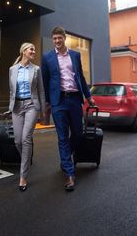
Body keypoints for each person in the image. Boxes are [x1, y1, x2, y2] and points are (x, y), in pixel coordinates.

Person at [41, 26, 95, 191]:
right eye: (54, 38)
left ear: (64, 38)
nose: (57, 41)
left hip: (74, 100)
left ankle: (65, 159)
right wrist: (49, 102)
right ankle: (70, 174)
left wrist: (88, 96)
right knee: (63, 137)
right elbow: (45, 80)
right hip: (58, 102)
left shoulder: (75, 55)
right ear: (53, 40)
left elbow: (81, 77)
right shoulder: (47, 57)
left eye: (59, 38)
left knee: (78, 134)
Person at [8, 42, 46, 191]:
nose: (33, 51)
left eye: (34, 49)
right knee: (18, 141)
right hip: (17, 106)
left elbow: (41, 91)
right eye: (31, 49)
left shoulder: (36, 69)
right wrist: (9, 108)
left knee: (26, 138)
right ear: (24, 51)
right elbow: (11, 91)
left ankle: (23, 176)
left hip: (31, 105)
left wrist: (42, 111)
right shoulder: (12, 69)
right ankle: (27, 156)